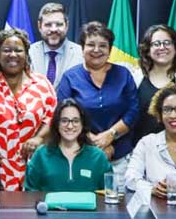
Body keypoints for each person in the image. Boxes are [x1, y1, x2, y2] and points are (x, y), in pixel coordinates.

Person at [0, 27, 57, 191]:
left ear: (26, 54)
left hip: (33, 164)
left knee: (31, 211)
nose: (13, 55)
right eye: (6, 50)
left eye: (18, 50)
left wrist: (39, 138)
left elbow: (52, 118)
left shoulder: (42, 84)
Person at [54, 22, 139, 180]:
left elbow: (133, 111)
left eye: (102, 45)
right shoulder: (70, 77)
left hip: (120, 156)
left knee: (119, 201)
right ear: (82, 48)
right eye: (91, 44)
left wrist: (110, 136)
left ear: (110, 49)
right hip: (81, 154)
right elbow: (62, 114)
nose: (96, 50)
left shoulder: (123, 74)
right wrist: (92, 141)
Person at [23, 99, 113, 193]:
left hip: (89, 208)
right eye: (64, 120)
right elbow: (30, 194)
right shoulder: (41, 155)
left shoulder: (98, 157)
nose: (70, 126)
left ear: (82, 124)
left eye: (75, 121)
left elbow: (108, 194)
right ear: (57, 124)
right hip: (50, 208)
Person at [27, 2, 83, 86]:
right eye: (48, 24)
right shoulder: (28, 53)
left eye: (59, 24)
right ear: (39, 26)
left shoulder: (81, 54)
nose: (54, 29)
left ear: (67, 26)